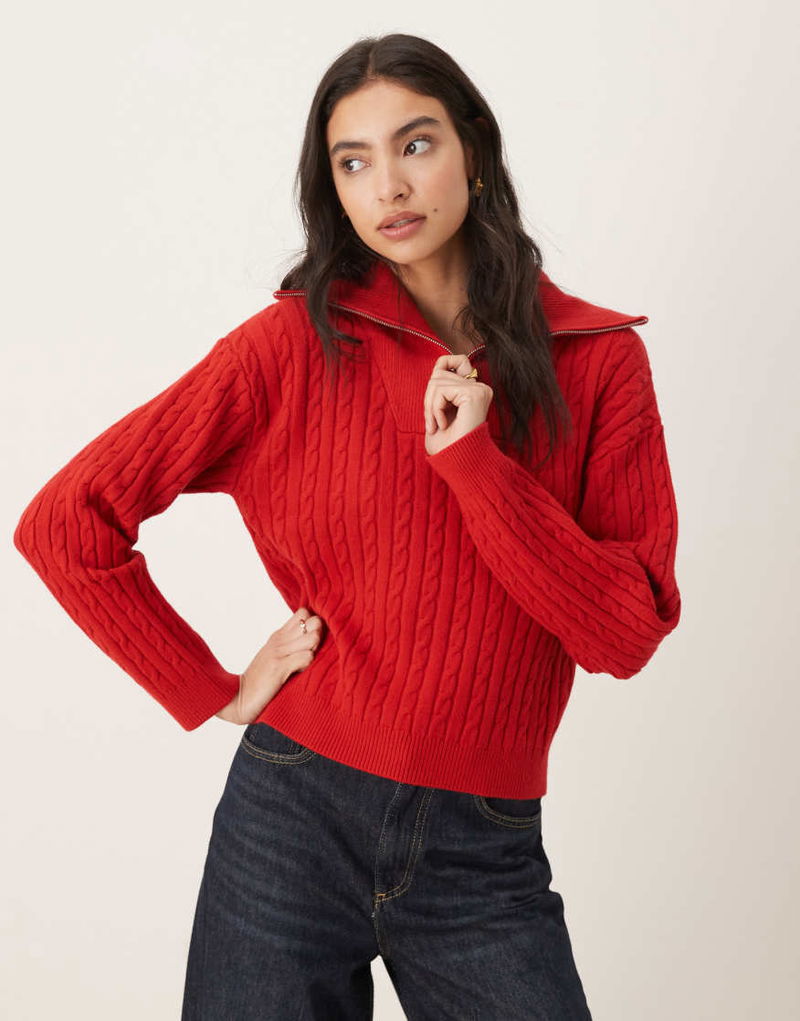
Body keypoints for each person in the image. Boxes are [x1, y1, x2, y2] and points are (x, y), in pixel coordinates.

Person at [13, 32, 682, 1021]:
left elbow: (621, 635)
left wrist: (476, 467)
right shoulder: (291, 346)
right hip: (290, 821)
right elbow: (66, 521)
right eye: (353, 162)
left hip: (484, 850)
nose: (388, 186)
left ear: (473, 150)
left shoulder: (596, 360)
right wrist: (210, 687)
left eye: (415, 144)